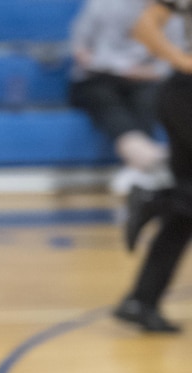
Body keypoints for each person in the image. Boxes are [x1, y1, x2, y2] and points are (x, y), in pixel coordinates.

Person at [117, 0, 192, 333]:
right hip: (186, 94)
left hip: (179, 96)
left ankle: (141, 300)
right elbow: (145, 26)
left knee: (186, 210)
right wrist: (182, 61)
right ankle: (155, 199)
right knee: (185, 202)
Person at [68, 0, 175, 196]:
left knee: (150, 97)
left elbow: (174, 58)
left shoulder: (171, 10)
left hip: (146, 77)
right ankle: (153, 159)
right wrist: (118, 67)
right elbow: (80, 47)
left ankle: (139, 167)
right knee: (103, 98)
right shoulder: (104, 4)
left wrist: (143, 72)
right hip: (97, 76)